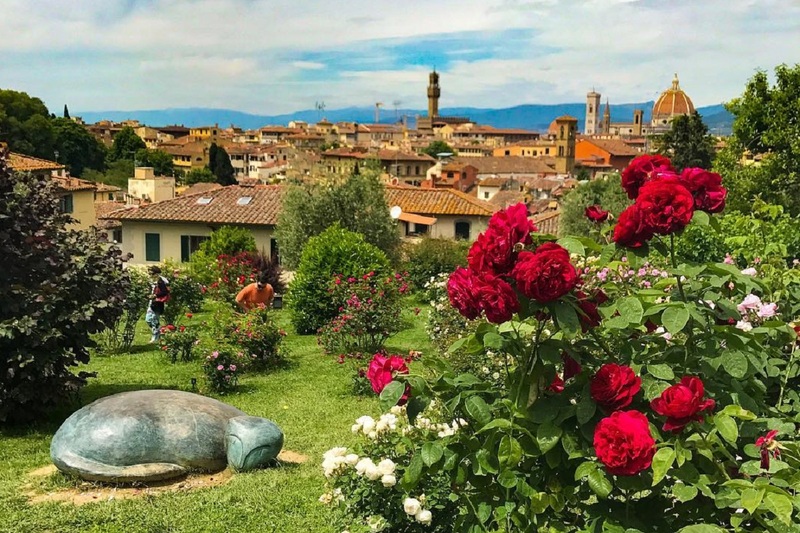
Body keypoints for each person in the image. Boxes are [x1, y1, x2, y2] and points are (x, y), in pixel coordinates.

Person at [146, 266, 170, 343]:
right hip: (152, 303)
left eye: (151, 272)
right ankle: (159, 332)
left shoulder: (160, 281)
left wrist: (155, 296)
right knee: (149, 319)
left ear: (155, 273)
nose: (150, 274)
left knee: (153, 320)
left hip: (157, 303)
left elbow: (165, 291)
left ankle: (156, 336)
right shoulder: (154, 281)